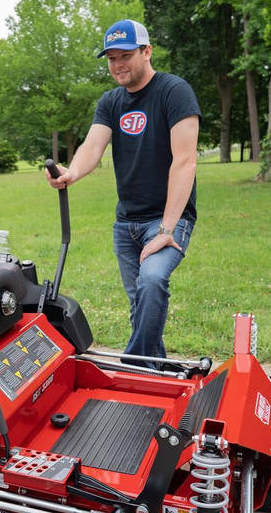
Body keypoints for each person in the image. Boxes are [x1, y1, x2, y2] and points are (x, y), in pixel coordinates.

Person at [46, 19, 200, 369]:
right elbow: (93, 145)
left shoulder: (174, 91)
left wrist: (166, 230)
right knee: (142, 307)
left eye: (126, 55)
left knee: (152, 282)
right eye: (111, 58)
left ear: (147, 52)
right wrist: (71, 172)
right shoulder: (111, 101)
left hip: (166, 219)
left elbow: (185, 162)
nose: (118, 64)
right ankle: (156, 374)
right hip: (126, 223)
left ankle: (132, 367)